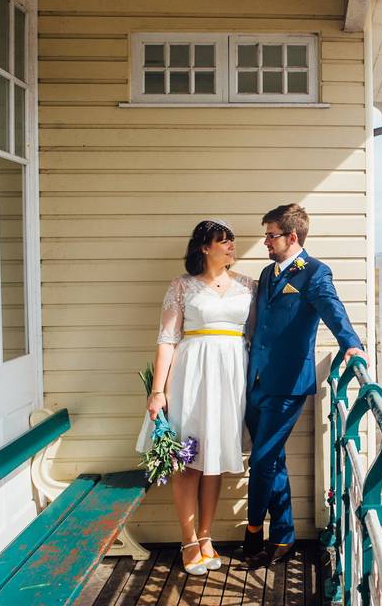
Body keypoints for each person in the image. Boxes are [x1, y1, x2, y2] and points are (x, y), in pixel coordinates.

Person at [242, 203, 368, 568]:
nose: (265, 241)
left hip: (288, 385)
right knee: (274, 460)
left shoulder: (314, 273)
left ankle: (253, 533)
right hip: (256, 382)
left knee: (262, 461)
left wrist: (351, 344)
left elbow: (332, 308)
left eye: (271, 235)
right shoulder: (267, 274)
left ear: (291, 237)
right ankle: (283, 538)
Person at [135, 220, 256, 576]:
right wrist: (158, 390)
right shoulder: (182, 286)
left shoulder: (249, 286)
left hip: (231, 378)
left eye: (232, 240)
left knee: (213, 458)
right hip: (190, 375)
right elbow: (167, 340)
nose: (232, 246)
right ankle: (188, 540)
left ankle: (206, 536)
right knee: (187, 461)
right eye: (224, 241)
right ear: (205, 247)